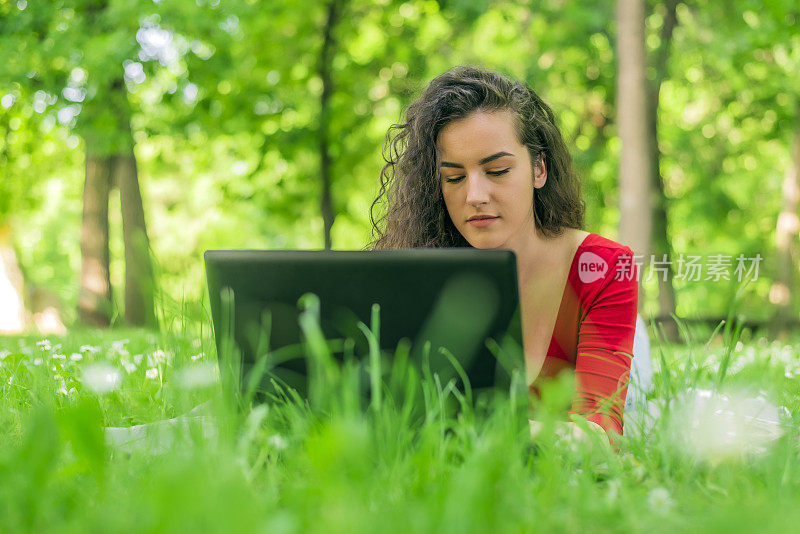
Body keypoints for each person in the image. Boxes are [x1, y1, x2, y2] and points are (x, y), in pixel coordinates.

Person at [368, 65, 648, 448]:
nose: (474, 196)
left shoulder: (604, 267)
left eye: (497, 170)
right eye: (454, 178)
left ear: (538, 169)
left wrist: (478, 434)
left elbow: (601, 436)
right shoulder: (416, 271)